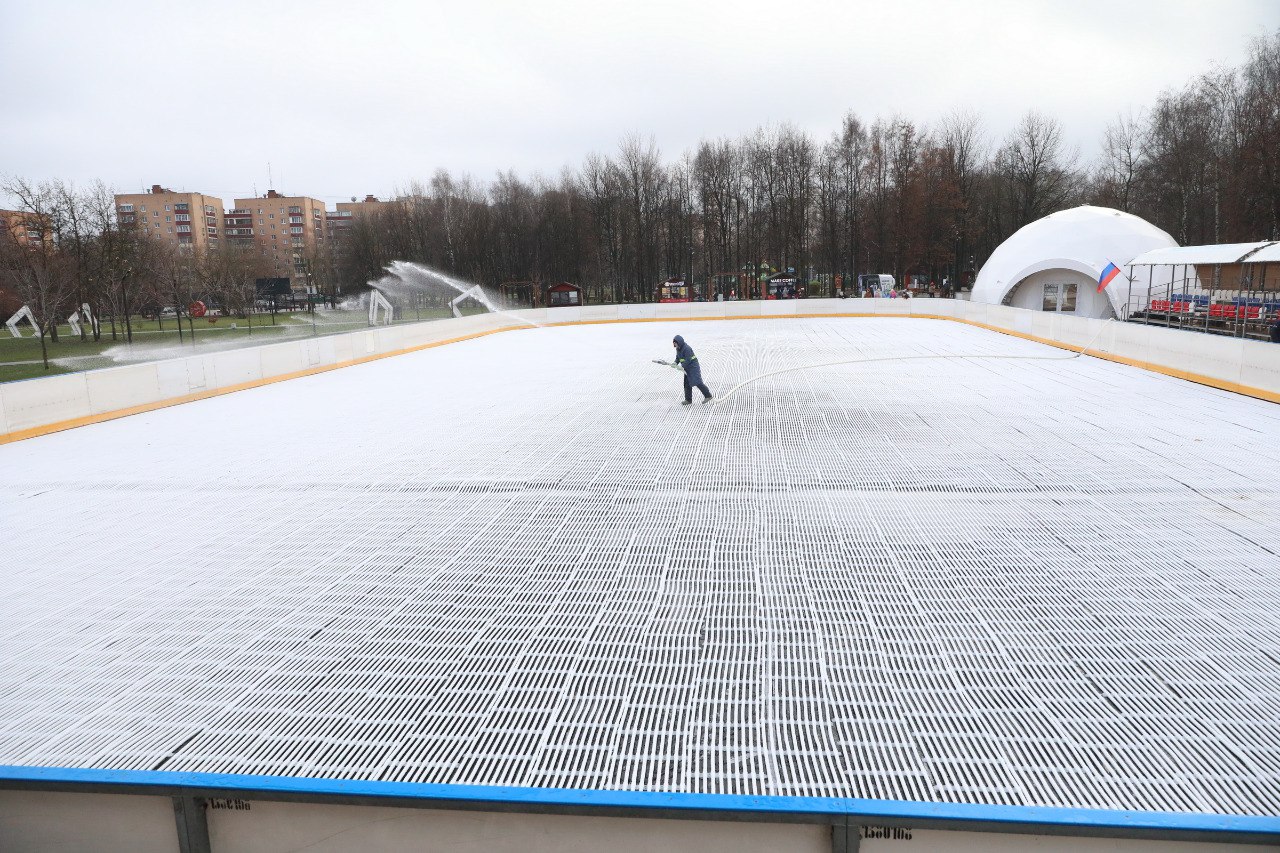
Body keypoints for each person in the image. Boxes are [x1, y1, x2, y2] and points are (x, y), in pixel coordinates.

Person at [672, 334, 713, 405]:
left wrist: (682, 367)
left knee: (697, 382)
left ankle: (708, 395)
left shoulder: (687, 348)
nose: (675, 345)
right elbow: (678, 358)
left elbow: (688, 360)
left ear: (679, 342)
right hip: (687, 368)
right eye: (674, 344)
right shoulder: (678, 349)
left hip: (693, 367)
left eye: (675, 343)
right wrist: (675, 362)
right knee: (687, 384)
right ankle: (688, 400)